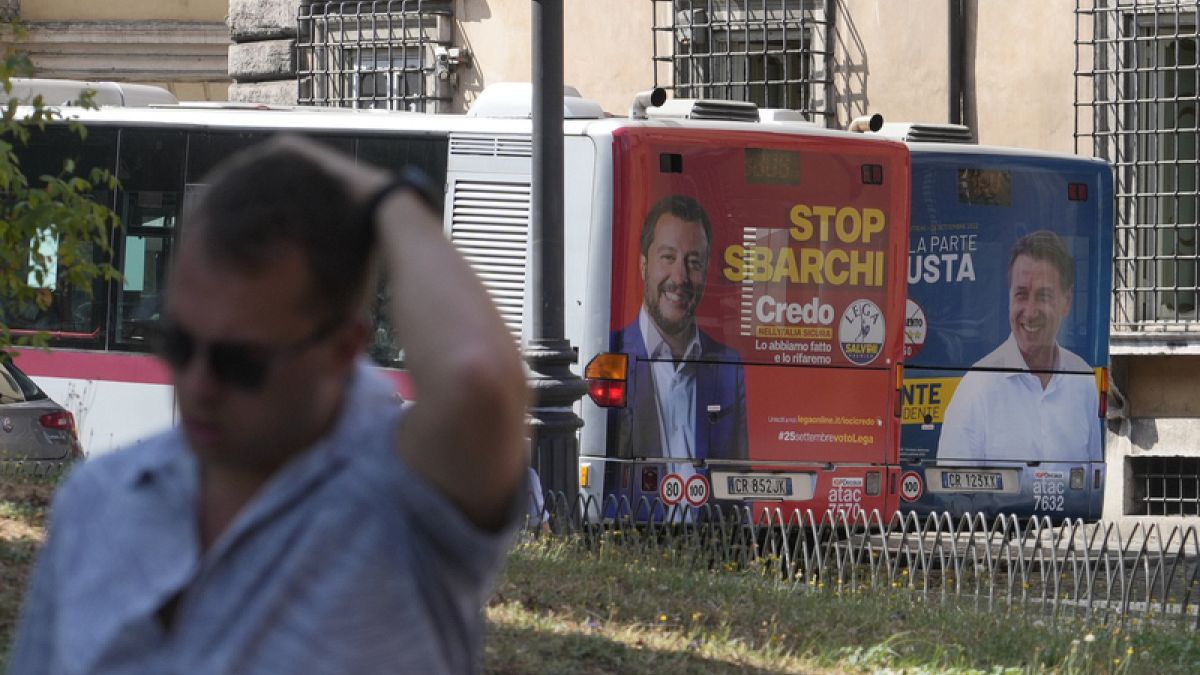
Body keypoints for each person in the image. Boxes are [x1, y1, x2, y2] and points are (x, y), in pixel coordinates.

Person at [7, 136, 528, 675]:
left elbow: (476, 377)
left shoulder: (400, 502)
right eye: (179, 345)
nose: (199, 385)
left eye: (242, 362)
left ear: (343, 349)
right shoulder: (98, 501)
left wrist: (388, 195)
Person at [610, 195, 748, 493]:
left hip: (709, 538)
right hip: (630, 535)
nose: (680, 276)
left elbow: (739, 487)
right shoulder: (612, 354)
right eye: (668, 257)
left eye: (693, 262)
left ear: (707, 272)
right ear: (644, 265)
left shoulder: (728, 365)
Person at [938, 230, 1100, 463]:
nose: (1030, 312)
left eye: (1043, 296)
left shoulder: (1082, 380)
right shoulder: (977, 387)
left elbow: (1089, 486)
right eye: (1021, 295)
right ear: (1010, 297)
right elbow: (952, 493)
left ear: (1067, 300)